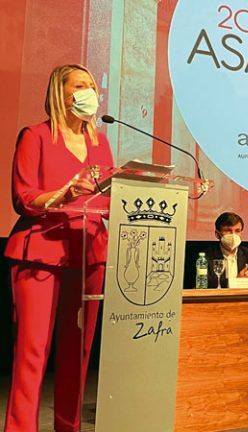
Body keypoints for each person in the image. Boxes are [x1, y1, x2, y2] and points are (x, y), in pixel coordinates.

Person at [3, 64, 114, 432]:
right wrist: (62, 194)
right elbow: (23, 196)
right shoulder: (35, 136)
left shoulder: (101, 142)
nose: (88, 92)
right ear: (60, 94)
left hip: (90, 253)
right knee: (33, 353)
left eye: (92, 86)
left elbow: (112, 196)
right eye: (79, 86)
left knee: (78, 354)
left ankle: (69, 427)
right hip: (41, 252)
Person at [204, 212, 248, 287]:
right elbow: (204, 284)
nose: (233, 235)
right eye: (228, 230)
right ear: (217, 234)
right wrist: (238, 281)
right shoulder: (206, 256)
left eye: (237, 231)